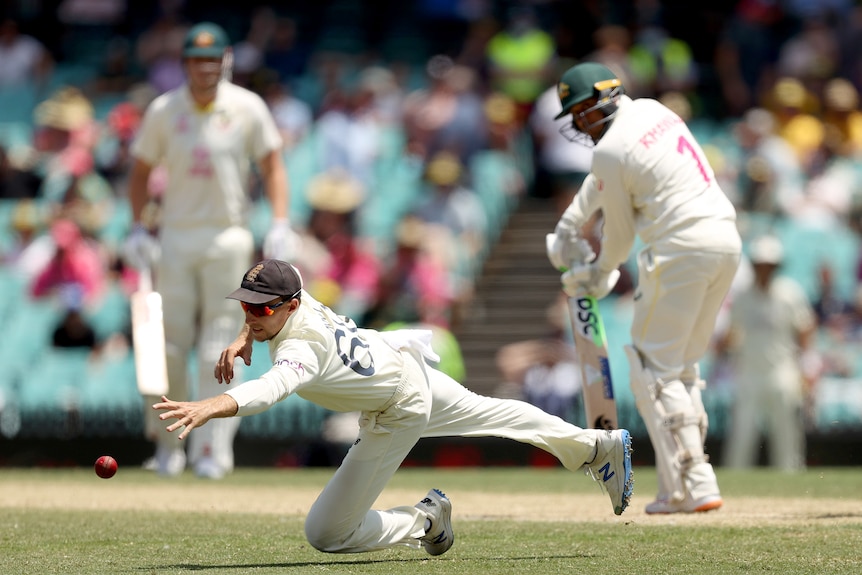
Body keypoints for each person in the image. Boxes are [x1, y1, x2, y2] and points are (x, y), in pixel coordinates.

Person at [152, 258, 634, 555]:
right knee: (497, 412)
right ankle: (597, 446)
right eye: (246, 306)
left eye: (260, 310)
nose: (251, 315)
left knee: (325, 534)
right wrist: (246, 334)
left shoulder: (302, 349)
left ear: (291, 306)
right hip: (404, 367)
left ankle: (427, 520)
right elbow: (268, 299)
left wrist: (211, 405)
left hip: (397, 406)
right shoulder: (298, 300)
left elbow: (269, 390)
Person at [546, 62, 741, 514]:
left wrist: (599, 272)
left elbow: (618, 235)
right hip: (724, 242)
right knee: (681, 367)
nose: (578, 124)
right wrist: (572, 221)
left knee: (652, 366)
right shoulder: (654, 111)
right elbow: (608, 179)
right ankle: (678, 487)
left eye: (581, 112)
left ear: (603, 100)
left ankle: (696, 478)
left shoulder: (610, 149)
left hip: (678, 250)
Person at [123, 22, 299, 480]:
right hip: (176, 236)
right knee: (168, 349)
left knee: (217, 346)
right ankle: (167, 446)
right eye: (196, 61)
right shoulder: (164, 110)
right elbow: (140, 172)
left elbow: (272, 165)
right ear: (184, 65)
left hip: (228, 235)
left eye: (213, 60)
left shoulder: (247, 107)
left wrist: (280, 220)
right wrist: (139, 226)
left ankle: (212, 450)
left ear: (226, 62)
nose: (205, 69)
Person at [718, 235, 818, 471]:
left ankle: (791, 484)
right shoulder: (742, 296)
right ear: (753, 266)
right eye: (760, 265)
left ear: (776, 267)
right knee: (741, 435)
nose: (765, 270)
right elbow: (731, 334)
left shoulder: (790, 294)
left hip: (783, 372)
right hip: (749, 373)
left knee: (787, 436)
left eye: (769, 266)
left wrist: (807, 366)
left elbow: (805, 329)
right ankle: (736, 484)